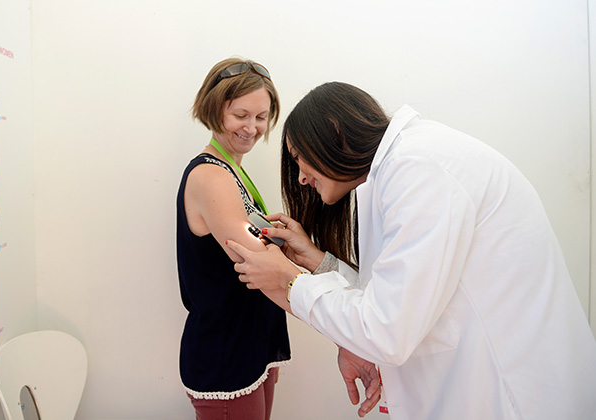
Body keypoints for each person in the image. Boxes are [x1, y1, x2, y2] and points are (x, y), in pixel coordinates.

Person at [227, 81, 596, 420]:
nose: (302, 177)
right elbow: (396, 295)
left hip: (514, 396)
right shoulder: (398, 169)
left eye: (298, 158)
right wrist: (320, 264)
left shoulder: (419, 170)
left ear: (334, 133)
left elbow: (386, 329)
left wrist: (291, 281)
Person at [175, 57, 290, 420]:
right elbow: (261, 264)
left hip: (249, 343)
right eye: (241, 115)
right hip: (225, 353)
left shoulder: (233, 170)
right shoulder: (213, 176)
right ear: (215, 108)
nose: (253, 128)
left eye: (261, 116)